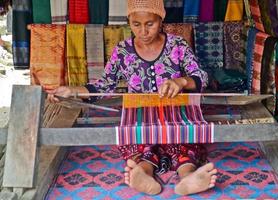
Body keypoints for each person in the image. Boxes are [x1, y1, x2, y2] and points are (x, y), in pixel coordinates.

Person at [47, 0, 217, 196]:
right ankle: (143, 174)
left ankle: (188, 176)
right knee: (140, 142)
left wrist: (181, 82)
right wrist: (72, 91)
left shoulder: (177, 45)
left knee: (182, 139)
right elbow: (104, 85)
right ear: (129, 21)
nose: (143, 31)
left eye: (150, 24)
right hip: (140, 114)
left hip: (176, 112)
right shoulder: (122, 51)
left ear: (160, 20)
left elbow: (201, 77)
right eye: (136, 24)